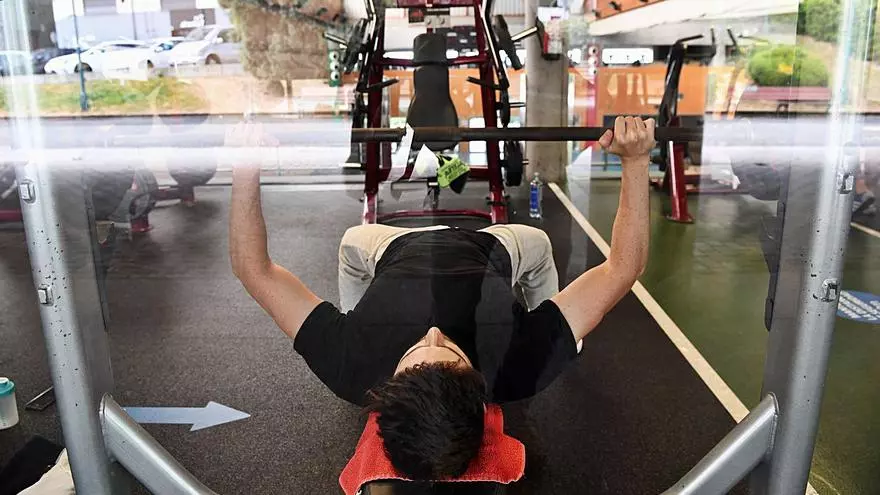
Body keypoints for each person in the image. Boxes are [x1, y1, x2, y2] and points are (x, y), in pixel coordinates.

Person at [229, 116, 654, 481]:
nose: (433, 333)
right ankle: (560, 328)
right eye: (452, 352)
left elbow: (255, 270)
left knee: (350, 245)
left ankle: (357, 312)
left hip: (391, 248)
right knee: (540, 249)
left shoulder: (349, 364)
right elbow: (622, 268)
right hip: (490, 248)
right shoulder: (521, 363)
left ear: (383, 394)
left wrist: (244, 168)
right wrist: (635, 161)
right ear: (484, 401)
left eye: (415, 353)